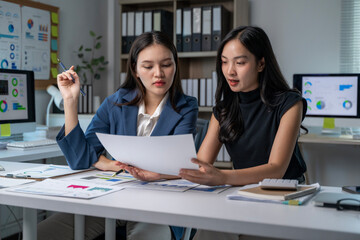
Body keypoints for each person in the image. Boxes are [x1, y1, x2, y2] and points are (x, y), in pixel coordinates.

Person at [37, 31, 198, 240]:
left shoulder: (187, 107)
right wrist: (70, 101)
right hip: (114, 197)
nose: (159, 73)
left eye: (166, 64)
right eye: (148, 66)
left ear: (175, 66)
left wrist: (105, 162)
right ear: (135, 70)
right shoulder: (115, 103)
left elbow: (176, 165)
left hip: (159, 203)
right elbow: (79, 159)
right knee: (42, 234)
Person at [178, 26, 307, 239]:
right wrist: (159, 174)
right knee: (204, 231)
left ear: (261, 63)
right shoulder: (223, 109)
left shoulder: (290, 103)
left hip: (284, 193)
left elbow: (276, 170)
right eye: (224, 61)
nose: (230, 71)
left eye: (240, 62)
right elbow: (200, 164)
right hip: (241, 190)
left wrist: (221, 177)